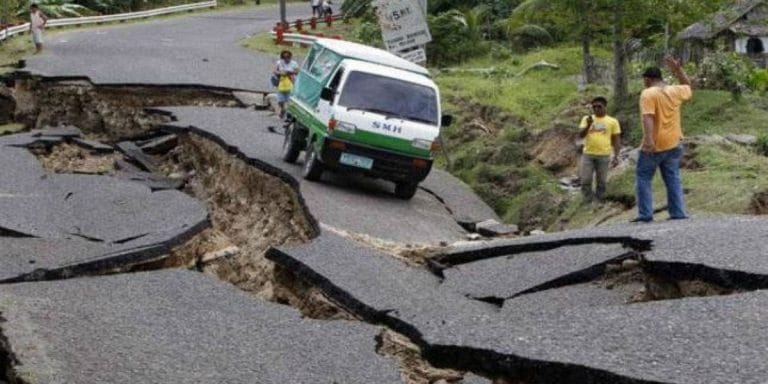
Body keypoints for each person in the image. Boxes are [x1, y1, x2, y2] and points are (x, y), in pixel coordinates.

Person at [633, 56, 693, 222]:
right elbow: (688, 86)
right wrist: (678, 70)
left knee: (643, 177)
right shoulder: (674, 90)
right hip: (674, 143)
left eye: (644, 80)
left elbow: (648, 117)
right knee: (672, 178)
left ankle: (645, 214)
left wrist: (649, 140)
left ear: (648, 79)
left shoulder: (648, 93)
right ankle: (678, 212)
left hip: (656, 144)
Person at [578, 96, 621, 203]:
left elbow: (616, 140)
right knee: (585, 180)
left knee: (601, 181)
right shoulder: (586, 119)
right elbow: (580, 135)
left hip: (604, 155)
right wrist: (588, 125)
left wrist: (616, 156)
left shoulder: (612, 121)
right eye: (594, 107)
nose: (596, 109)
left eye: (599, 106)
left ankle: (600, 200)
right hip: (588, 154)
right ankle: (588, 201)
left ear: (605, 107)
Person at [273, 50, 299, 120]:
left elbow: (297, 72)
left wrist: (290, 72)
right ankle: (283, 109)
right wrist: (280, 73)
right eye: (284, 57)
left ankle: (288, 114)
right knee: (280, 100)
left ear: (290, 57)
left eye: (288, 57)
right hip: (281, 83)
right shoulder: (279, 63)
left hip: (291, 83)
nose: (286, 58)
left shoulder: (294, 63)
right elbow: (275, 71)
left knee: (289, 100)